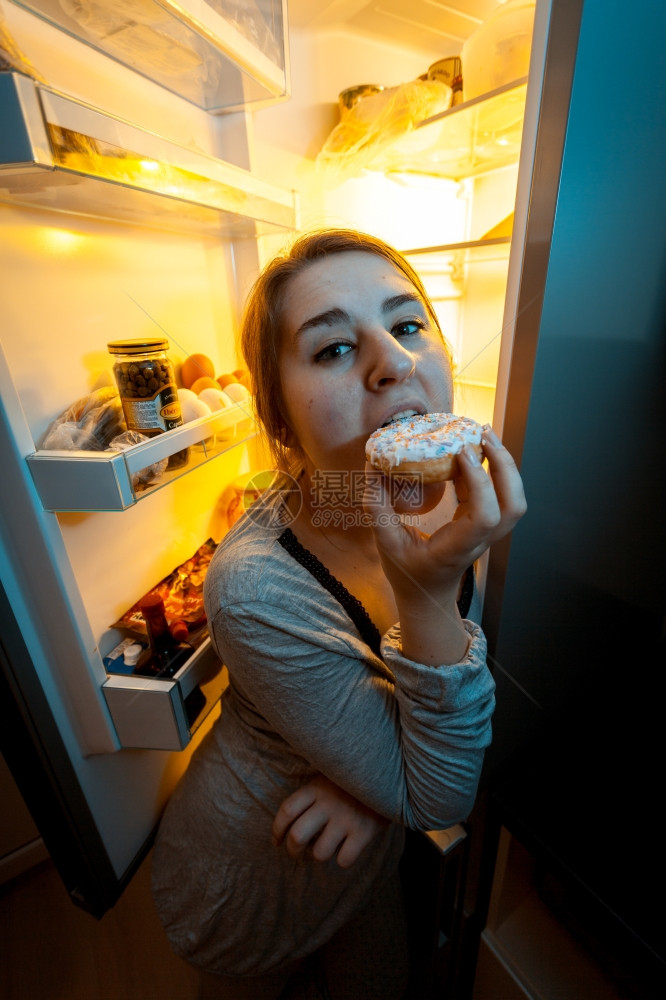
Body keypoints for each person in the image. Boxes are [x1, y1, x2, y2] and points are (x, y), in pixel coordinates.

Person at [151, 229, 527, 999]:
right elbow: (439, 794)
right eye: (330, 350)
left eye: (409, 324)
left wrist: (376, 788)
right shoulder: (253, 587)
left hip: (366, 841)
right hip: (250, 875)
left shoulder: (449, 495)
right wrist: (399, 784)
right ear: (279, 419)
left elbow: (423, 772)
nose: (393, 361)